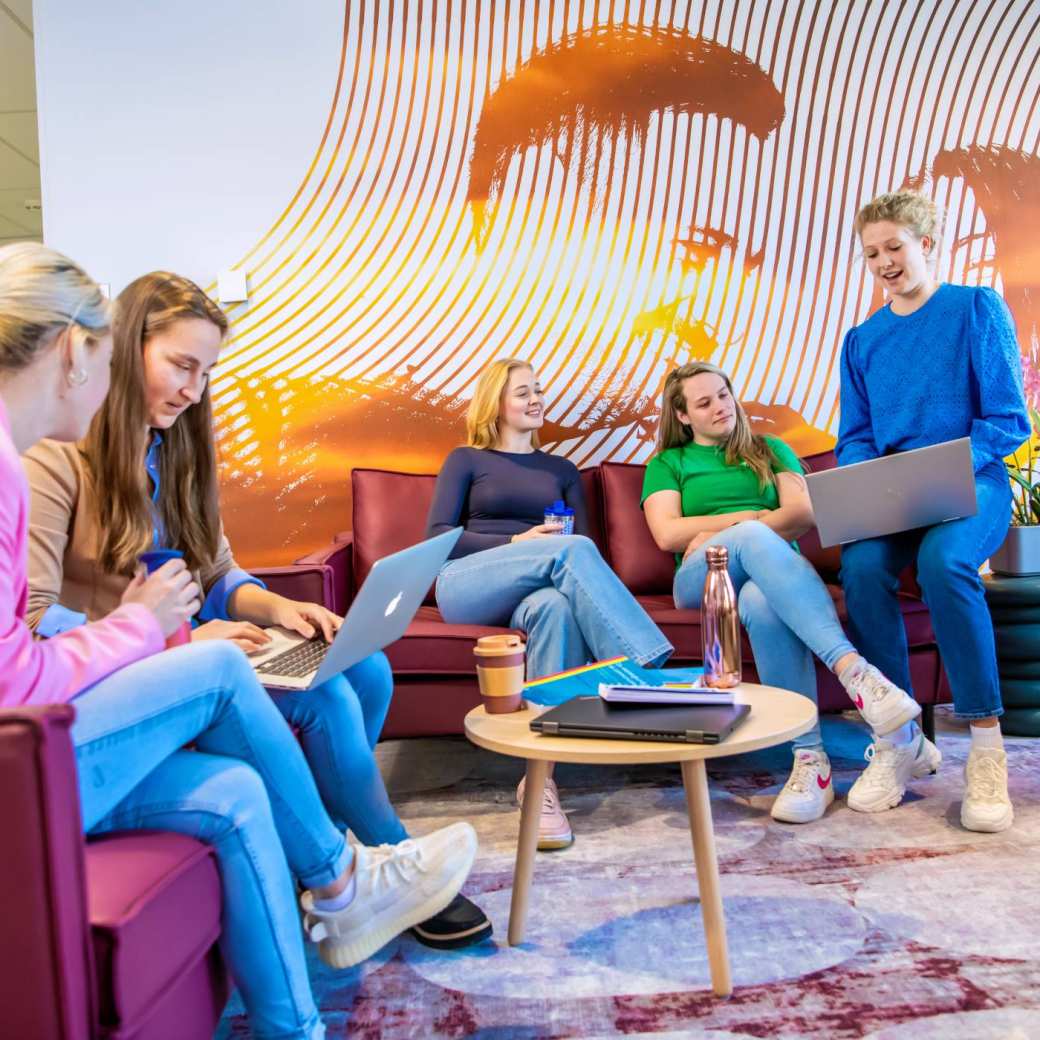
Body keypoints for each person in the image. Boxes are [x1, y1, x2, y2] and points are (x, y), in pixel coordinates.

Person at [0, 243, 477, 1040]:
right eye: (176, 364)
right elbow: (33, 633)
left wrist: (271, 612)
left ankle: (308, 993)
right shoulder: (41, 464)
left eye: (204, 372)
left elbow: (217, 570)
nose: (192, 389)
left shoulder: (173, 448)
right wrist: (163, 630)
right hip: (75, 702)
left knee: (316, 712)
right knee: (255, 676)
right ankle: (357, 871)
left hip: (105, 680)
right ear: (85, 348)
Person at [642, 361, 923, 824]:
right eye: (704, 402)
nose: (720, 407)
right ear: (684, 416)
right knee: (754, 541)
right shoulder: (668, 463)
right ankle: (854, 671)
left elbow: (803, 512)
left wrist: (726, 528)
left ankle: (809, 761)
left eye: (724, 394)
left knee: (760, 602)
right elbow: (668, 534)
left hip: (771, 582)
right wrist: (747, 522)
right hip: (701, 581)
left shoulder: (771, 449)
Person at [836, 190, 1030, 832]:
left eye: (895, 246)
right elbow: (856, 435)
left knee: (946, 562)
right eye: (872, 254)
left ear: (926, 243)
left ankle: (985, 745)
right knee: (861, 569)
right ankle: (900, 739)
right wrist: (867, 475)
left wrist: (945, 465)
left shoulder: (975, 308)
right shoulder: (862, 341)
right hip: (896, 497)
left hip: (971, 487)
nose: (885, 261)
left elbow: (1008, 419)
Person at [426, 357, 674, 849]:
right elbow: (438, 538)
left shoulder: (560, 469)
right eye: (523, 392)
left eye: (539, 390)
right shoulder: (466, 460)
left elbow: (581, 542)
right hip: (467, 582)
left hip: (539, 587)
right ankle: (644, 672)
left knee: (556, 609)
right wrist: (521, 543)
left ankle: (539, 782)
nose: (537, 398)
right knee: (571, 550)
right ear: (494, 401)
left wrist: (548, 550)